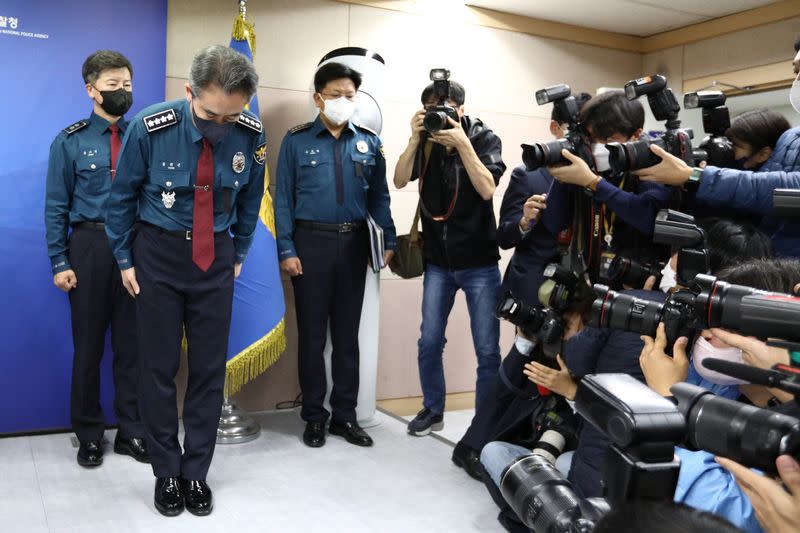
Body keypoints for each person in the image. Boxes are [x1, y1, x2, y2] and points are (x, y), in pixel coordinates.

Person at [105, 45, 265, 517]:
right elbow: (121, 199)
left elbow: (251, 200)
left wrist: (238, 251)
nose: (222, 124)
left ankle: (196, 473)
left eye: (233, 116)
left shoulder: (251, 135)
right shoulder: (151, 128)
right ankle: (166, 473)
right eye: (212, 113)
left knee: (208, 372)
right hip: (157, 254)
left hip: (214, 257)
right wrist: (124, 259)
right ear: (189, 92)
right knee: (157, 369)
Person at [451, 94, 591, 479]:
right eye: (573, 130)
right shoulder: (528, 175)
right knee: (523, 369)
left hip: (579, 294)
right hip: (534, 290)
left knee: (558, 376)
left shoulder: (598, 175)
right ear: (554, 129)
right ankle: (474, 446)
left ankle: (528, 445)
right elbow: (504, 235)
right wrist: (526, 220)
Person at [274, 62, 396, 449]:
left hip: (354, 245)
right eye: (336, 94)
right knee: (311, 336)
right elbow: (284, 201)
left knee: (347, 338)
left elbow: (379, 197)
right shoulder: (296, 141)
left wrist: (388, 240)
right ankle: (314, 416)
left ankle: (345, 415)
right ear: (318, 98)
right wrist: (286, 248)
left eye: (350, 95)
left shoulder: (370, 143)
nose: (344, 102)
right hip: (309, 247)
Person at [44, 50, 147, 468]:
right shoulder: (70, 141)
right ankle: (88, 433)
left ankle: (131, 431)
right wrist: (59, 261)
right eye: (113, 86)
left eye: (127, 85)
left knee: (133, 347)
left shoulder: (143, 135)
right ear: (91, 89)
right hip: (88, 248)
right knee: (88, 347)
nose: (122, 92)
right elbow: (55, 206)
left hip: (137, 249)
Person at [393, 77, 506, 437]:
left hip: (480, 263)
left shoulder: (484, 137)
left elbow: (487, 188)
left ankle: (485, 421)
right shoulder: (425, 139)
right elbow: (397, 180)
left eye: (446, 109)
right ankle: (433, 408)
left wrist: (462, 146)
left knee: (487, 348)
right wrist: (414, 139)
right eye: (431, 109)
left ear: (462, 109)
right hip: (439, 262)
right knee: (429, 341)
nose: (439, 116)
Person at [633, 37, 800, 258]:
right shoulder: (791, 136)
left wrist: (694, 176)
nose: (797, 80)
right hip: (767, 263)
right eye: (796, 72)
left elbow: (782, 191)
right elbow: (755, 196)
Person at [541, 90, 673, 284]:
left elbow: (650, 219)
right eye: (593, 138)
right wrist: (561, 179)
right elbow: (553, 224)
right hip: (588, 279)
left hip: (636, 283)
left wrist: (594, 183)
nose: (598, 146)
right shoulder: (586, 162)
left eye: (609, 140)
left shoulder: (652, 160)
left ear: (636, 134)